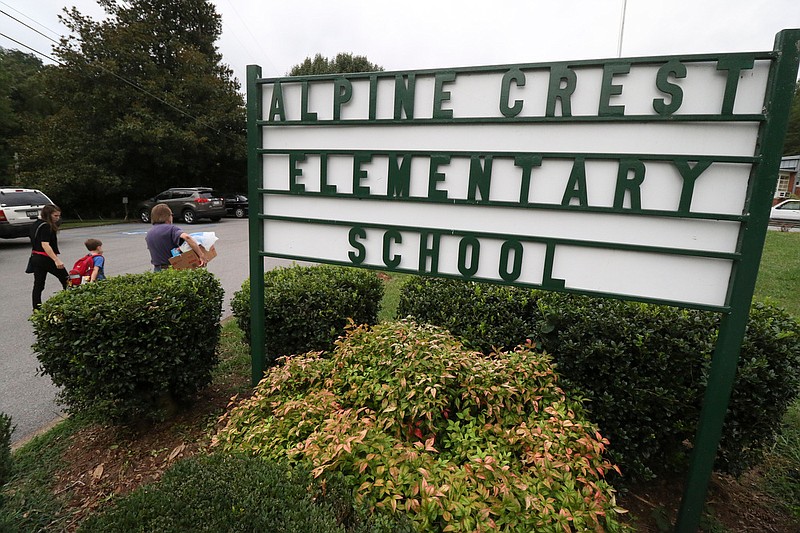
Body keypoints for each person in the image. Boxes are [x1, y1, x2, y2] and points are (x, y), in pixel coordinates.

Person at [145, 203, 207, 272]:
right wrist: (201, 255)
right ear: (167, 216)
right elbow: (187, 237)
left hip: (157, 269)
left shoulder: (149, 233)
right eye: (171, 215)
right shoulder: (171, 229)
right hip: (171, 268)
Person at [30, 204, 69, 310]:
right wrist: (56, 260)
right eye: (55, 216)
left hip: (35, 257)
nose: (57, 218)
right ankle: (71, 302)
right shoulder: (46, 226)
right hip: (45, 258)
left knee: (38, 284)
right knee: (66, 280)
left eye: (59, 216)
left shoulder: (36, 224)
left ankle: (36, 308)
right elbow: (45, 244)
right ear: (48, 215)